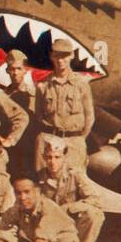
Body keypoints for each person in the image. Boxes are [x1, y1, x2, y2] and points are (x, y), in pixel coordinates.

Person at [32, 38, 94, 175]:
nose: (60, 60)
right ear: (51, 56)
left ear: (71, 56)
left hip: (74, 141)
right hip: (48, 140)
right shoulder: (43, 85)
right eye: (57, 55)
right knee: (44, 183)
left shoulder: (81, 84)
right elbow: (38, 114)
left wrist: (79, 139)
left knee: (74, 183)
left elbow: (90, 116)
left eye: (65, 55)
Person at [37, 138, 104, 242]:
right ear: (43, 157)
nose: (52, 162)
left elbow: (95, 199)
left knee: (95, 214)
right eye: (49, 157)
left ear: (64, 158)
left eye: (57, 157)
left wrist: (69, 207)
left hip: (70, 221)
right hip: (48, 222)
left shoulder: (75, 175)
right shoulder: (38, 178)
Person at [3, 49, 38, 178]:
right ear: (7, 71)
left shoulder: (33, 94)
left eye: (18, 69)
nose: (15, 73)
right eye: (11, 69)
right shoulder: (4, 95)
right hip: (9, 143)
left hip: (27, 146)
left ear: (25, 70)